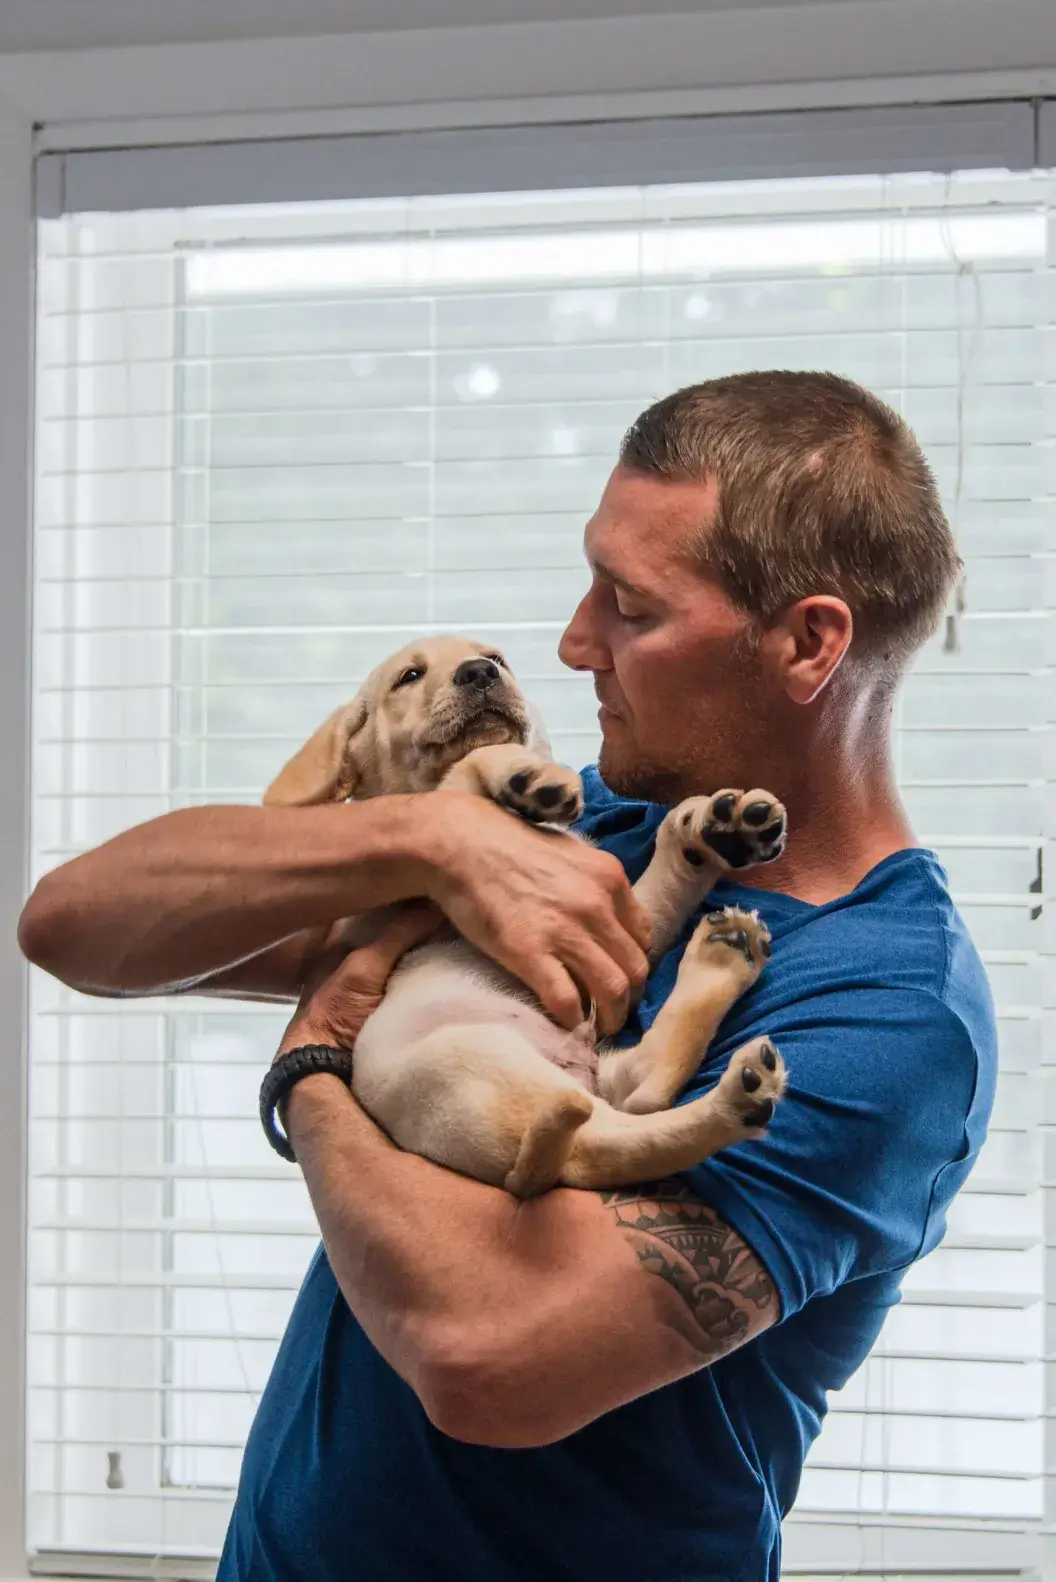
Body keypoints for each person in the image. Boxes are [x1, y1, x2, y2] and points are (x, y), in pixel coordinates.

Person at [19, 370, 996, 1582]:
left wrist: (316, 1076)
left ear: (808, 642)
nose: (574, 641)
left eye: (630, 607)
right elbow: (77, 925)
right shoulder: (585, 825)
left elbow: (487, 1361)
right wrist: (421, 836)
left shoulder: (887, 1011)